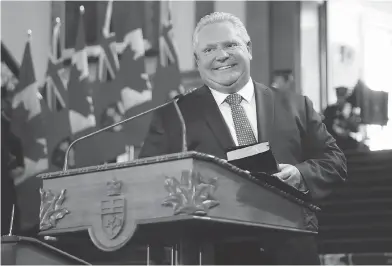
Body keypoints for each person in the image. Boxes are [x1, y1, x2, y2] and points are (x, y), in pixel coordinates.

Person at [139, 12, 347, 265]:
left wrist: (300, 174)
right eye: (209, 49)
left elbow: (334, 161)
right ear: (197, 60)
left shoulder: (295, 105)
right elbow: (146, 184)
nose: (221, 55)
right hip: (212, 254)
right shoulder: (174, 116)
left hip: (292, 252)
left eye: (230, 44)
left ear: (248, 48)